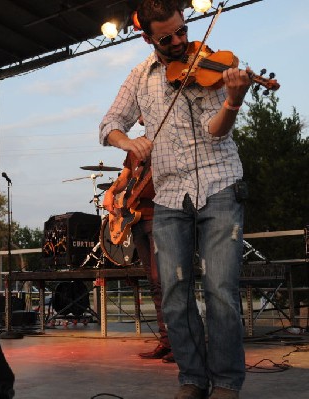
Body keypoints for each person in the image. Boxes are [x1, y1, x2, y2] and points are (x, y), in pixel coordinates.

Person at [99, 1, 252, 398]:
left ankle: (226, 383)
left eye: (183, 31)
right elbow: (108, 124)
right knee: (173, 293)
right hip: (168, 194)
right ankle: (191, 378)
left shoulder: (209, 65)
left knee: (220, 289)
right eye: (168, 38)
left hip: (220, 184)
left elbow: (216, 131)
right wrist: (129, 140)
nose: (181, 41)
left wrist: (233, 101)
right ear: (148, 38)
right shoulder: (139, 77)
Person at [104, 148, 173, 363]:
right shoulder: (135, 148)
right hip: (136, 221)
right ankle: (166, 341)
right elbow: (126, 176)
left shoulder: (163, 142)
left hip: (161, 216)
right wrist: (111, 192)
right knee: (154, 283)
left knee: (164, 282)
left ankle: (181, 343)